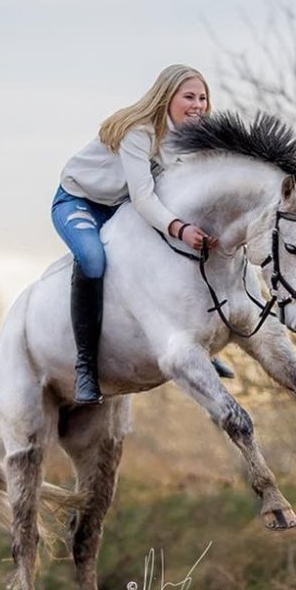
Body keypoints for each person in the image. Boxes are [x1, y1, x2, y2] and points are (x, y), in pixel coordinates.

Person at [52, 64, 231, 405]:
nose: (198, 105)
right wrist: (180, 228)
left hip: (122, 207)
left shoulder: (189, 141)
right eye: (189, 97)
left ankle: (199, 347)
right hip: (80, 201)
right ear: (167, 97)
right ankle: (86, 365)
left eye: (203, 98)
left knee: (169, 256)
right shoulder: (140, 132)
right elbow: (144, 197)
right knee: (92, 259)